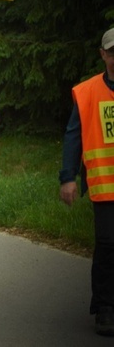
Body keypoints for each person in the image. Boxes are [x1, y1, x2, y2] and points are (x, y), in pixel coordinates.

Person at [59, 27, 114, 337]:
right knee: (108, 245)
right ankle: (105, 307)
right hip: (105, 185)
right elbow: (73, 136)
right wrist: (68, 177)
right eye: (113, 51)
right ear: (103, 54)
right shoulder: (88, 91)